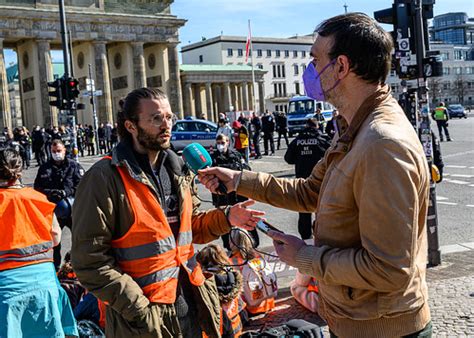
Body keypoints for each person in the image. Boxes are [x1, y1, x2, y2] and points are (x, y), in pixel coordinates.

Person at [199, 13, 432, 337]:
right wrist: (238, 179)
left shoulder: (381, 144)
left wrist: (304, 257)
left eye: (314, 59)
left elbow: (391, 270)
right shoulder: (354, 129)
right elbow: (311, 192)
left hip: (382, 330)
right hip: (358, 321)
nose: (310, 71)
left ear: (341, 67)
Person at [71, 87, 264, 338]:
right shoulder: (103, 178)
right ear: (130, 126)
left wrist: (227, 218)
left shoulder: (176, 168)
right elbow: (89, 262)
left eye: (169, 117)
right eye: (155, 118)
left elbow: (190, 229)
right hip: (143, 319)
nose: (166, 125)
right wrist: (139, 309)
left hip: (190, 303)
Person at [0, 148, 78, 337]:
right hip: (46, 286)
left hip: (7, 291)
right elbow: (56, 236)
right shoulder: (39, 199)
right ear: (18, 172)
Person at [34, 139, 84, 270]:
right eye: (54, 151)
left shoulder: (74, 166)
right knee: (54, 243)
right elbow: (37, 188)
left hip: (73, 210)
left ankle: (77, 266)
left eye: (59, 151)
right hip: (53, 211)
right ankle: (55, 268)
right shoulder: (45, 168)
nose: (56, 153)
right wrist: (51, 193)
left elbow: (82, 185)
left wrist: (66, 192)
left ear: (64, 150)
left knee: (80, 240)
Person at [284, 118, 330, 240]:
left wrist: (301, 159)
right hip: (321, 180)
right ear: (317, 126)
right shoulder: (322, 139)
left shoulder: (297, 140)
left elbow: (288, 159)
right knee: (322, 209)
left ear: (306, 126)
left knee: (304, 209)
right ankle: (322, 236)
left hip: (302, 180)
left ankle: (306, 237)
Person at [212, 134, 259, 250]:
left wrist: (231, 171)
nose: (220, 146)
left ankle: (252, 244)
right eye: (218, 143)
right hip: (222, 197)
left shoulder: (236, 155)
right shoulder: (213, 157)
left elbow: (246, 169)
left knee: (246, 219)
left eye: (222, 143)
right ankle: (229, 247)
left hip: (239, 195)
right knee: (224, 222)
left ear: (228, 142)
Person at [197, 244, 246, 338]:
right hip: (236, 328)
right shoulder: (233, 275)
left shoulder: (205, 281)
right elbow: (240, 307)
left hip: (217, 331)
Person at [228, 228, 276, 315]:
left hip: (250, 307)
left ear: (232, 241)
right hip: (268, 302)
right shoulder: (257, 254)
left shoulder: (233, 260)